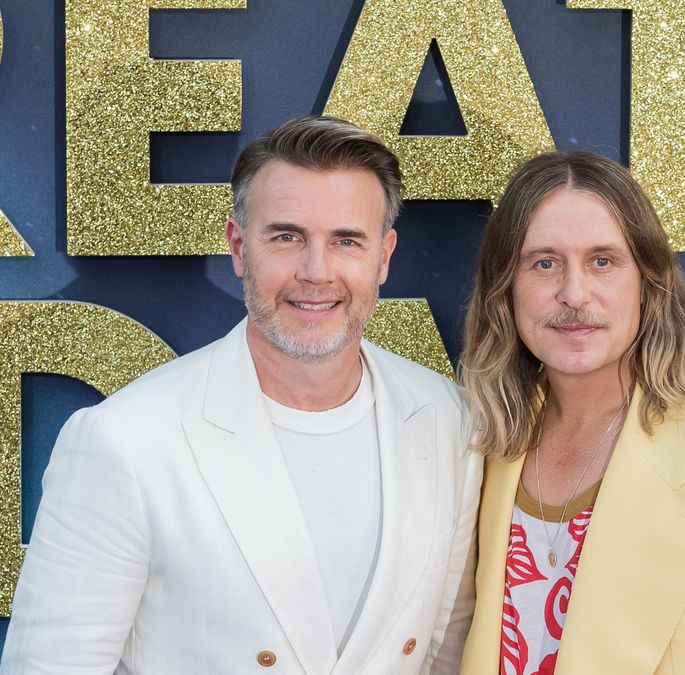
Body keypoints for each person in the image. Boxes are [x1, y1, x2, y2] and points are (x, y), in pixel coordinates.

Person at [0, 116, 481, 674]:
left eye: (346, 240)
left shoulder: (449, 419)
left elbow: (449, 653)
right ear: (237, 247)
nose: (316, 272)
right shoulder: (125, 440)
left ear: (384, 257)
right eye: (286, 237)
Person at [456, 150, 685, 674]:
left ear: (649, 284)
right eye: (544, 263)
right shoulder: (484, 439)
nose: (574, 294)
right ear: (505, 288)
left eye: (603, 261)